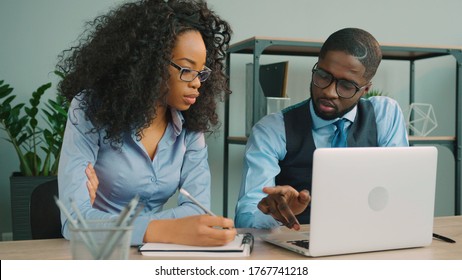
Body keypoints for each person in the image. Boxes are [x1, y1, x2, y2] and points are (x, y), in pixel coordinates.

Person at [57, 0, 236, 246]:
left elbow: (198, 210)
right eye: (186, 69)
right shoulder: (90, 108)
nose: (197, 83)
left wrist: (109, 224)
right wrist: (165, 229)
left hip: (156, 255)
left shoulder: (191, 124)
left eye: (202, 71)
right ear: (150, 64)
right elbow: (75, 221)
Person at [235, 28, 409, 230]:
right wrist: (276, 215)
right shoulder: (272, 130)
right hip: (300, 244)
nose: (329, 92)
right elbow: (245, 217)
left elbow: (399, 192)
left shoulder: (384, 115)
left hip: (370, 236)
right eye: (323, 75)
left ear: (365, 89)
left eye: (346, 86)